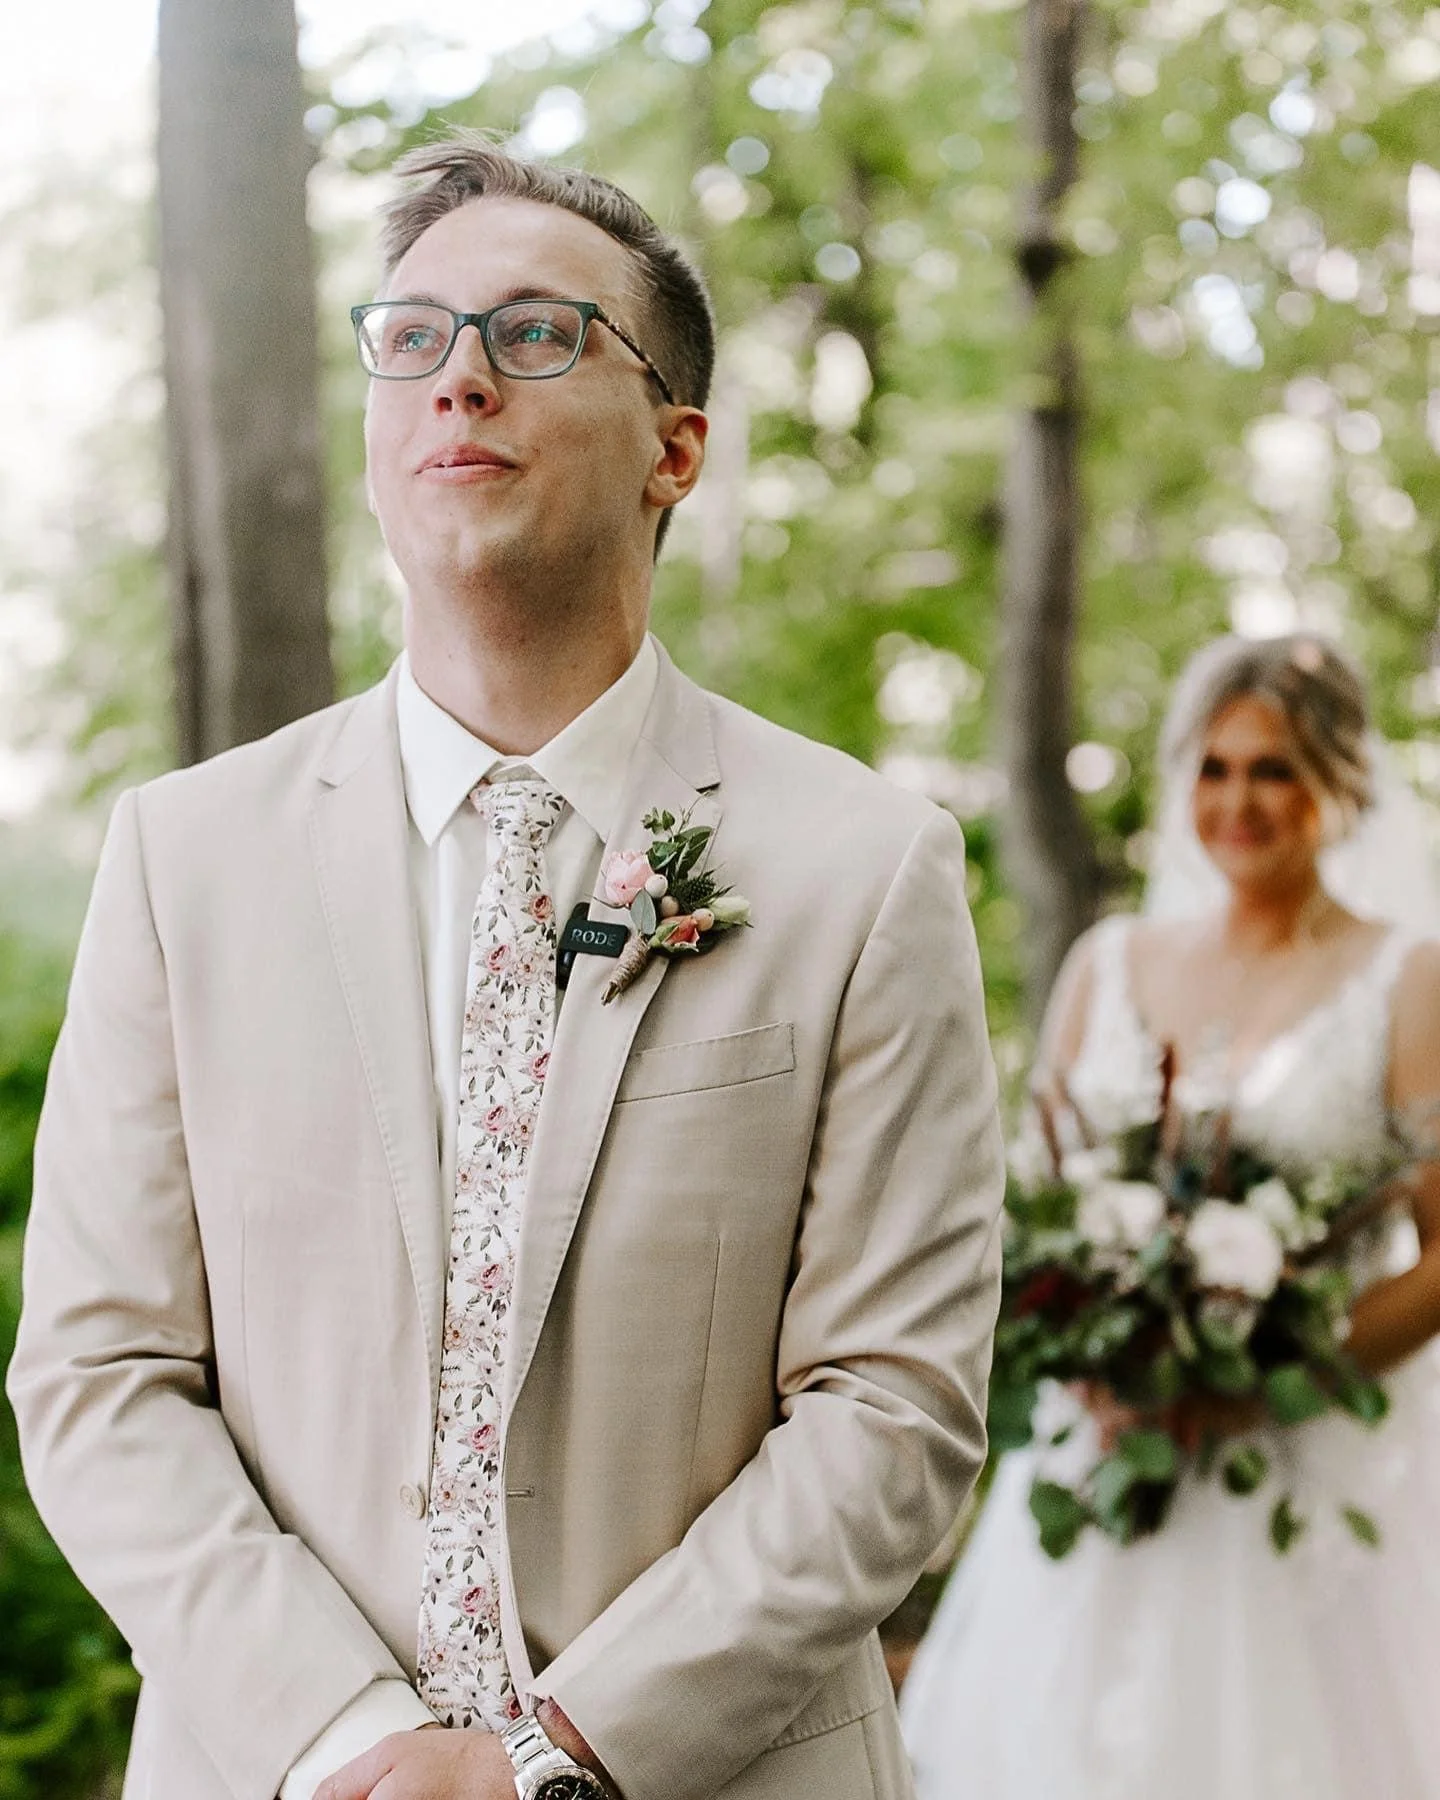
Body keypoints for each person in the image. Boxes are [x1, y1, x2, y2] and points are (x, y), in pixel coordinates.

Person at [6, 137, 1005, 1800]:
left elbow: (892, 1406)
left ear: (674, 448)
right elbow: (101, 1376)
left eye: (537, 336)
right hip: (279, 1770)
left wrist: (553, 1754)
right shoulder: (183, 861)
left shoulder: (863, 867)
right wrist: (354, 1739)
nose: (460, 379)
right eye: (412, 337)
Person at [900, 631, 1440, 1800]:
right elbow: (1039, 1208)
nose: (1239, 801)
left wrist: (1254, 1385)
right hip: (1095, 1457)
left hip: (1295, 1469)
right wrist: (1084, 1337)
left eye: (1277, 769)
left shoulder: (1410, 978)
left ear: (1341, 782)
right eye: (1215, 767)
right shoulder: (1108, 962)